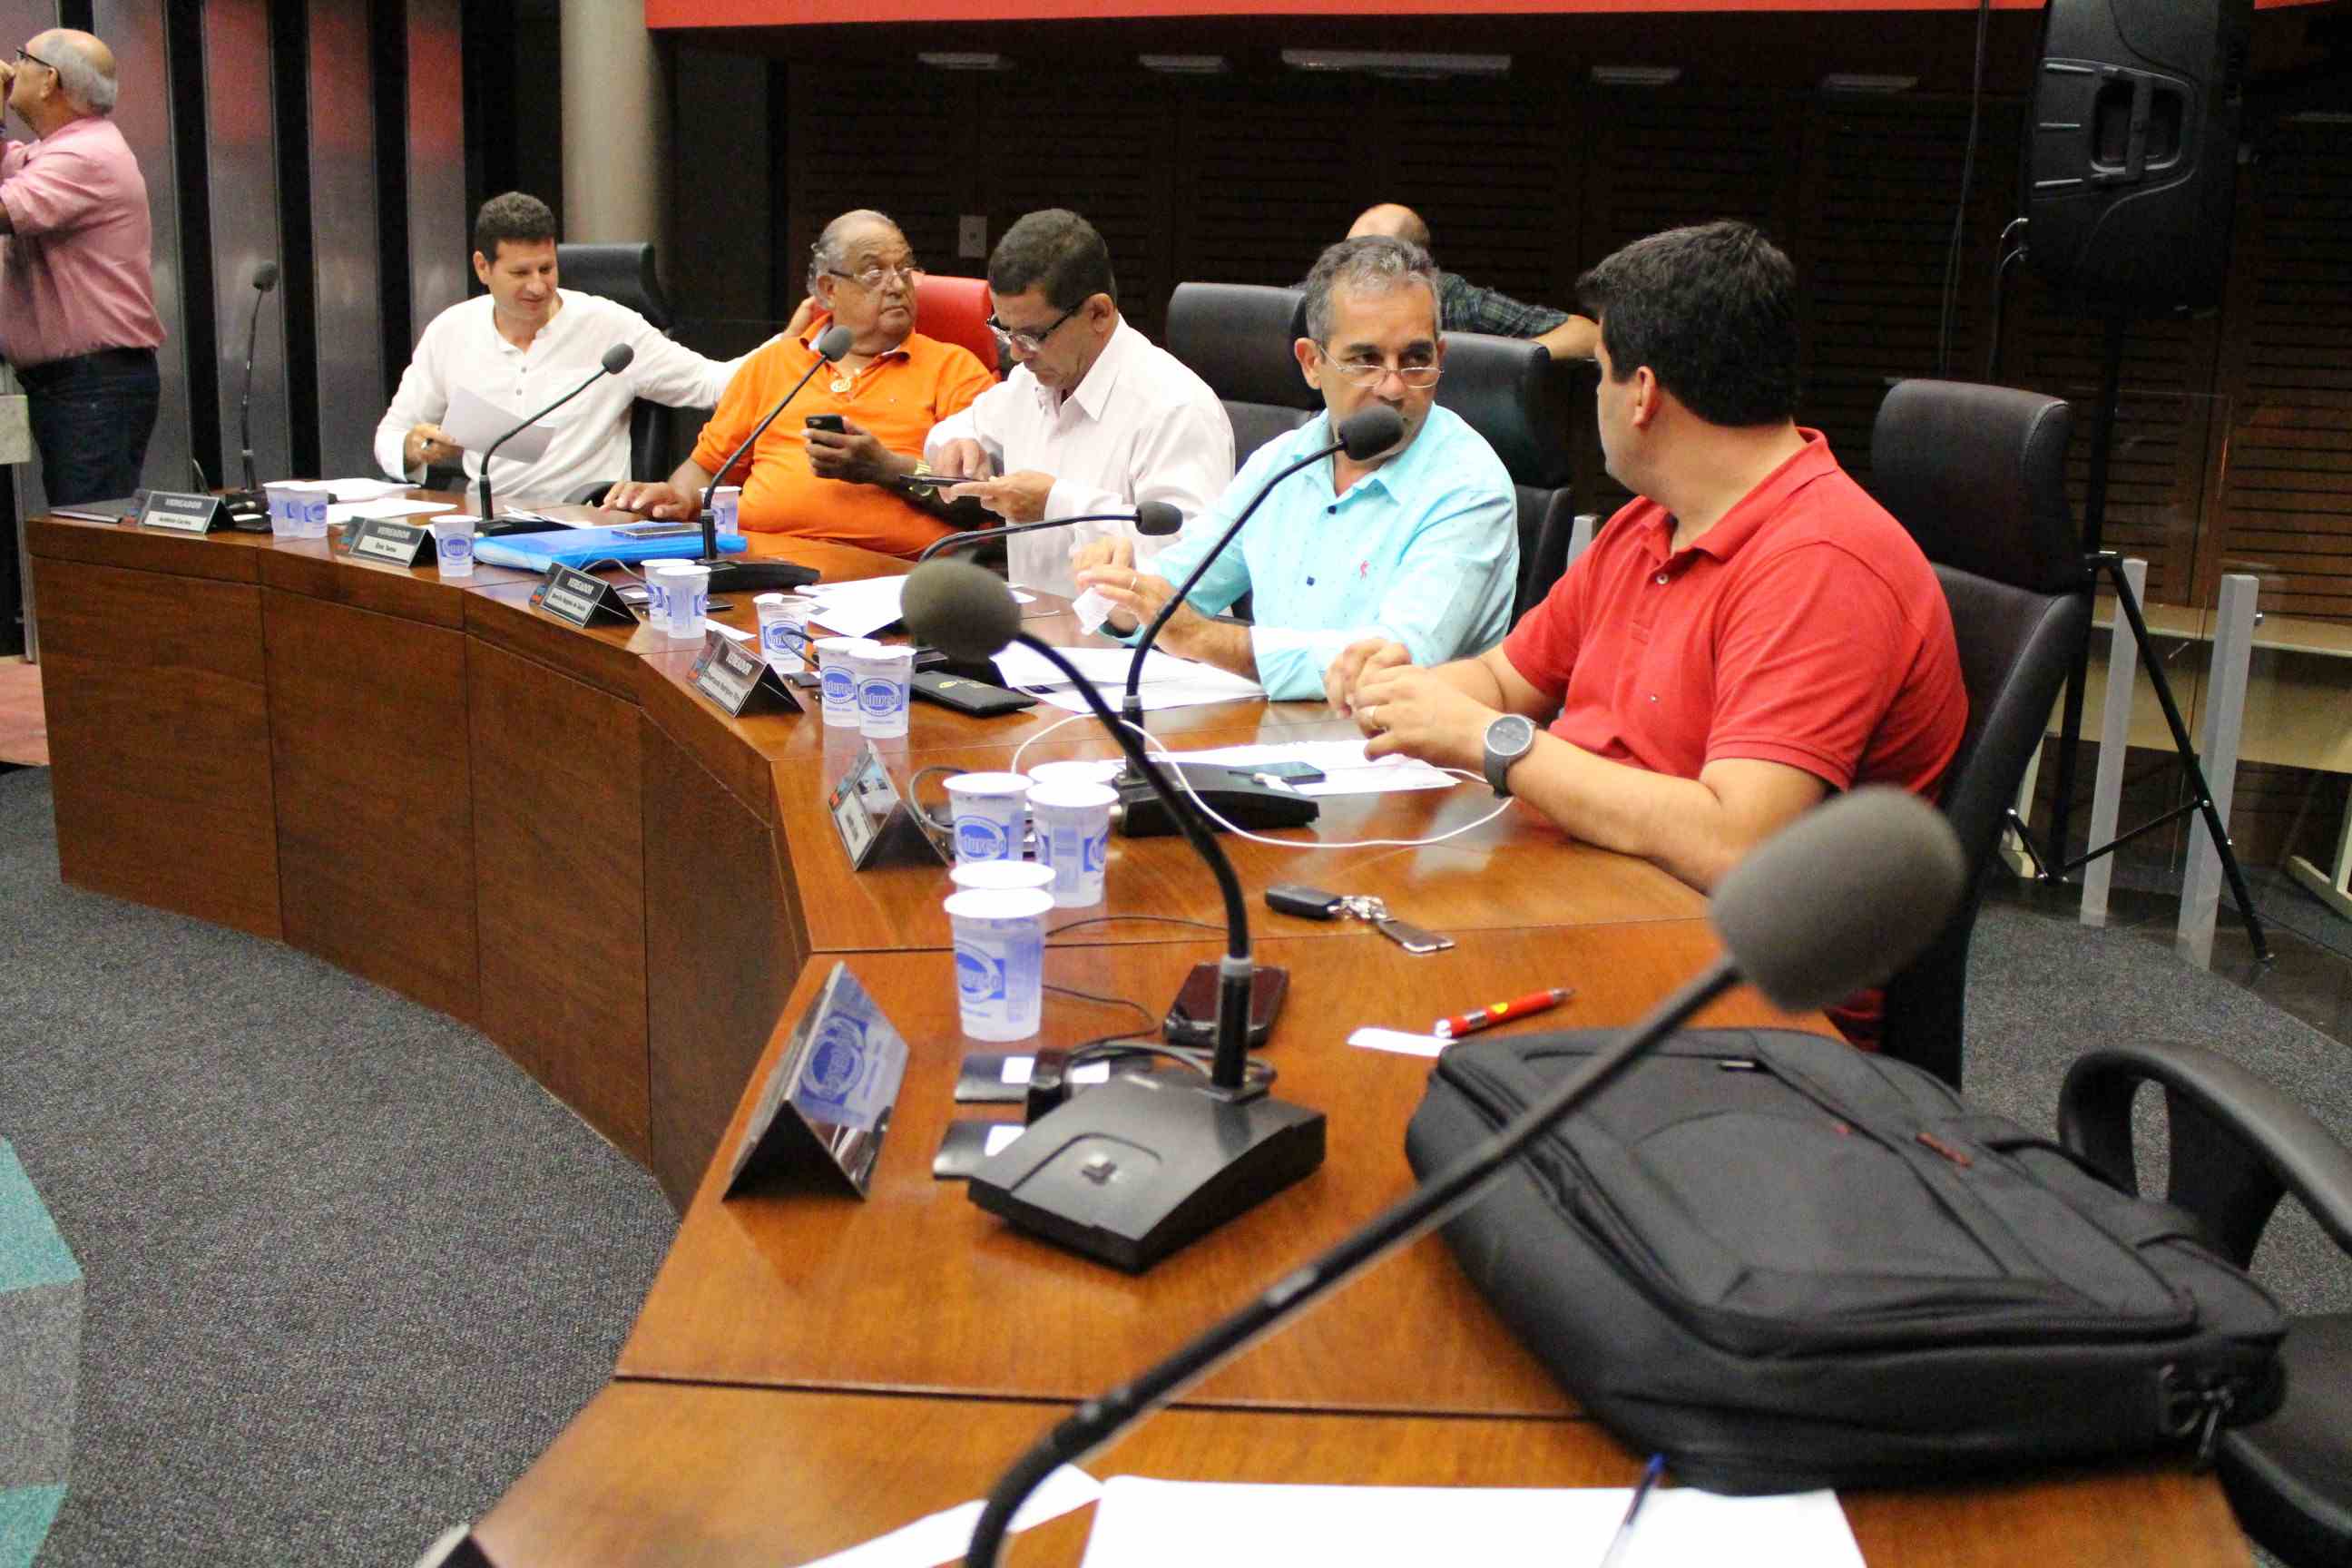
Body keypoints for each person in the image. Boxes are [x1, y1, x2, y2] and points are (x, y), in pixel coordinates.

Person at [1328, 221, 1965, 1034]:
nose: (1594, 396)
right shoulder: (1649, 522)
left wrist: (1496, 745)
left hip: (1724, 999)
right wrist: (1401, 690)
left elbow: (1737, 844)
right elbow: (1503, 681)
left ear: (1642, 394)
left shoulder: (1825, 563)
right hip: (1584, 905)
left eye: (1599, 371)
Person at [1071, 235, 1516, 703]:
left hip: (1398, 741)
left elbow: (1395, 660)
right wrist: (1121, 594)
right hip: (1272, 729)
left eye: (1415, 360)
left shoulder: (1470, 485)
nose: (1393, 387)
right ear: (1311, 363)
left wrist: (1205, 639)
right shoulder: (1283, 462)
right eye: (1366, 360)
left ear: (1440, 357)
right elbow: (1180, 591)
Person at [607, 209, 995, 558]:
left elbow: (976, 500)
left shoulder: (954, 369)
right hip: (761, 568)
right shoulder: (773, 364)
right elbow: (706, 470)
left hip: (891, 577)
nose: (897, 285)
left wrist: (885, 468)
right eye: (874, 273)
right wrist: (677, 496)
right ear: (828, 289)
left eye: (905, 268)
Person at [923, 209, 1231, 599]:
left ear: (1098, 313)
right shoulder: (1030, 383)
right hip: (1035, 623)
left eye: (1032, 336)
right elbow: (954, 429)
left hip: (1136, 634)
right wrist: (956, 445)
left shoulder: (1177, 407)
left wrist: (1056, 503)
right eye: (1005, 331)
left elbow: (1192, 562)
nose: (1016, 354)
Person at [374, 191, 738, 506]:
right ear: (483, 268)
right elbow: (390, 435)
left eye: (546, 269)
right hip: (486, 519)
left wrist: (775, 349)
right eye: (520, 273)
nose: (538, 286)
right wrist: (411, 448)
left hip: (584, 519)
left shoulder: (610, 328)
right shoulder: (451, 330)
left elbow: (712, 382)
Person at [0, 28, 163, 505]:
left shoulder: (83, 155)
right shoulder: (61, 149)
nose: (12, 67)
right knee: (79, 522)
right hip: (79, 383)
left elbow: (7, 208)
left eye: (21, 58)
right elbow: (12, 168)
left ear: (50, 80)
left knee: (88, 528)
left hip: (93, 383)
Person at [1347, 202, 1597, 364]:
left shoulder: (1456, 302)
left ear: (1415, 264)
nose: (1350, 270)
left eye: (1369, 259)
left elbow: (1587, 334)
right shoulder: (1336, 301)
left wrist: (1514, 358)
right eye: (1346, 255)